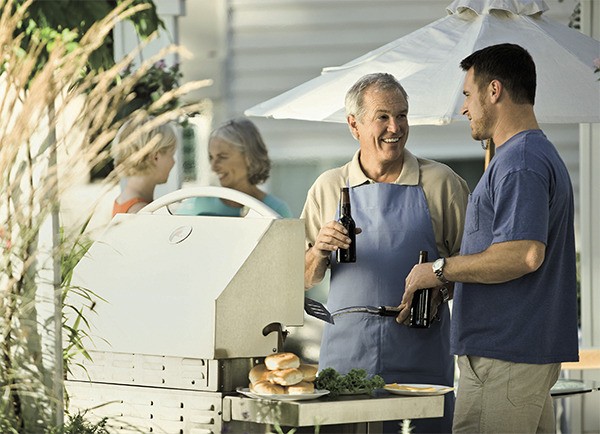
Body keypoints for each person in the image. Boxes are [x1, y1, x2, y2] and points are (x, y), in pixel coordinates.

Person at [398, 43, 579, 433]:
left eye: (467, 95)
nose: (464, 108)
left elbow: (524, 254)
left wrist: (440, 270)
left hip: (505, 356)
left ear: (493, 91)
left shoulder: (520, 161)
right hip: (519, 354)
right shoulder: (527, 155)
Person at [302, 72, 469, 433]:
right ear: (354, 124)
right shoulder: (328, 187)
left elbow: (472, 269)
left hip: (420, 357)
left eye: (402, 115)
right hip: (346, 359)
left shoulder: (442, 183)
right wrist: (318, 251)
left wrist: (440, 287)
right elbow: (300, 279)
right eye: (383, 116)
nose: (395, 127)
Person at [176, 117, 292, 217]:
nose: (213, 167)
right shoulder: (198, 205)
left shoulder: (275, 211)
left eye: (222, 157)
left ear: (249, 157)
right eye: (211, 157)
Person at [111, 117, 177, 216]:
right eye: (171, 155)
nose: (173, 162)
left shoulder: (124, 200)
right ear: (156, 157)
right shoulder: (140, 212)